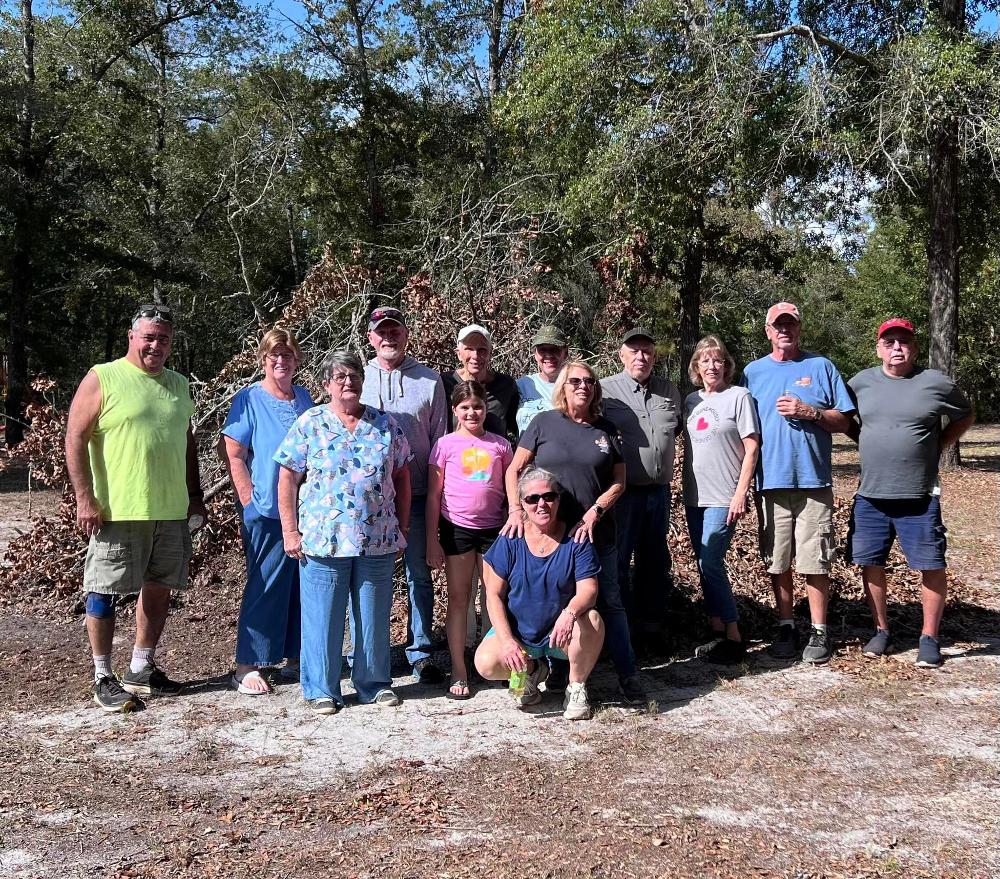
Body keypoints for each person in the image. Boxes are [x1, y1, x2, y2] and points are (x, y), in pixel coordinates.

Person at [65, 302, 207, 712]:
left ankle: (141, 669)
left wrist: (194, 494)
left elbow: (187, 442)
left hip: (169, 508)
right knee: (104, 589)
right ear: (132, 337)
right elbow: (75, 436)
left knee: (160, 586)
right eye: (148, 337)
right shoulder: (104, 377)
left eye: (163, 339)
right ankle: (102, 675)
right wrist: (84, 497)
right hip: (117, 509)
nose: (155, 345)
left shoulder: (178, 383)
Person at [275, 350, 411, 714]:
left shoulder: (386, 424)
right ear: (326, 385)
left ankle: (373, 683)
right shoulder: (310, 422)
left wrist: (404, 525)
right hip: (323, 539)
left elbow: (402, 475)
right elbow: (287, 477)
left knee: (372, 615)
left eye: (354, 376)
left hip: (378, 537)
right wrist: (290, 530)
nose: (348, 382)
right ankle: (322, 689)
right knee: (323, 617)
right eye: (340, 377)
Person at [504, 360, 646, 703]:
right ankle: (553, 674)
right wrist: (516, 511)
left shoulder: (606, 429)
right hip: (551, 538)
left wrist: (595, 511)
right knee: (555, 603)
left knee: (609, 603)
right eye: (575, 381)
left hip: (597, 537)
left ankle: (628, 675)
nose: (583, 386)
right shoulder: (544, 423)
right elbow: (514, 470)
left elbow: (619, 481)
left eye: (589, 382)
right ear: (563, 387)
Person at [846, 318, 974, 668]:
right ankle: (881, 630)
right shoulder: (860, 383)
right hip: (871, 493)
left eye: (903, 341)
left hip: (919, 494)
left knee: (930, 564)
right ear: (878, 348)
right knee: (871, 563)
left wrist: (942, 444)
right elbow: (845, 420)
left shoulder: (935, 383)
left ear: (915, 348)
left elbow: (965, 414)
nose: (897, 348)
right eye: (889, 342)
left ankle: (929, 637)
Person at [742, 302, 853, 664]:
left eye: (790, 324)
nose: (784, 330)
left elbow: (845, 422)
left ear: (799, 329)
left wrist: (812, 412)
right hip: (770, 482)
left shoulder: (821, 367)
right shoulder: (752, 373)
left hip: (812, 482)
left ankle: (819, 632)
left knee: (815, 560)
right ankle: (786, 626)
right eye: (778, 325)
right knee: (777, 560)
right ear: (768, 331)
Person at [220, 329, 314, 695]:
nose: (281, 361)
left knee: (297, 584)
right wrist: (249, 500)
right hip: (267, 509)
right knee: (266, 582)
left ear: (296, 361)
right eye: (274, 355)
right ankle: (247, 663)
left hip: (305, 510)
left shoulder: (303, 398)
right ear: (263, 359)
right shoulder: (250, 399)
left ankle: (293, 654)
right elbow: (234, 452)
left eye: (287, 355)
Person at [360, 306, 448, 684]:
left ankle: (421, 651)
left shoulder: (429, 381)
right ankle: (368, 653)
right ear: (371, 337)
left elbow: (442, 443)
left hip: (417, 497)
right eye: (382, 332)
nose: (388, 337)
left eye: (395, 330)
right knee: (366, 578)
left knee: (418, 576)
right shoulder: (355, 379)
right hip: (368, 503)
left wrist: (438, 498)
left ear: (407, 334)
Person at [475, 468, 605, 720]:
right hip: (520, 634)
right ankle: (533, 671)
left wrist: (569, 614)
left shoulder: (576, 538)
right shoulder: (511, 538)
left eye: (548, 496)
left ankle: (576, 687)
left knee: (592, 620)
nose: (541, 504)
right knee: (486, 663)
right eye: (532, 499)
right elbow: (493, 595)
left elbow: (589, 589)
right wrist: (508, 640)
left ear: (558, 499)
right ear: (522, 503)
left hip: (560, 634)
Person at [426, 380, 513, 699]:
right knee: (460, 599)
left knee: (494, 598)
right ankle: (459, 669)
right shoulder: (445, 445)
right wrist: (432, 540)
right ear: (455, 411)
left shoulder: (501, 445)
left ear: (486, 408)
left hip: (493, 531)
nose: (472, 412)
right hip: (456, 529)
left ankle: (499, 662)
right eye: (465, 407)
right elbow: (434, 496)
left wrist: (513, 519)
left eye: (477, 406)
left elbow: (510, 490)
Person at [601, 328, 682, 651]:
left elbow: (673, 434)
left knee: (655, 560)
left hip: (659, 493)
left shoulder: (669, 391)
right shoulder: (606, 391)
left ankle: (651, 627)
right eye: (633, 351)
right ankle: (620, 630)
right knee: (618, 561)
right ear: (621, 355)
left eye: (647, 351)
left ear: (654, 356)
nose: (641, 357)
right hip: (623, 493)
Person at [683, 336, 760, 664]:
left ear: (727, 366)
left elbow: (753, 446)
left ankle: (733, 636)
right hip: (694, 495)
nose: (712, 366)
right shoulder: (690, 401)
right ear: (696, 368)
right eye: (705, 361)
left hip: (724, 495)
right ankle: (715, 630)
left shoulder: (739, 397)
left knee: (711, 561)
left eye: (718, 360)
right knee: (703, 563)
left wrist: (741, 492)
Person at [441, 324, 519, 442]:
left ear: (490, 353)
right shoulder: (444, 383)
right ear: (458, 353)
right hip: (452, 457)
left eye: (482, 350)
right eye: (469, 349)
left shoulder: (505, 385)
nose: (475, 356)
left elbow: (517, 427)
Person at [515, 325, 569, 433]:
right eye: (542, 350)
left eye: (555, 349)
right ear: (535, 354)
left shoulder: (575, 386)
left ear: (565, 353)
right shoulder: (521, 386)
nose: (548, 355)